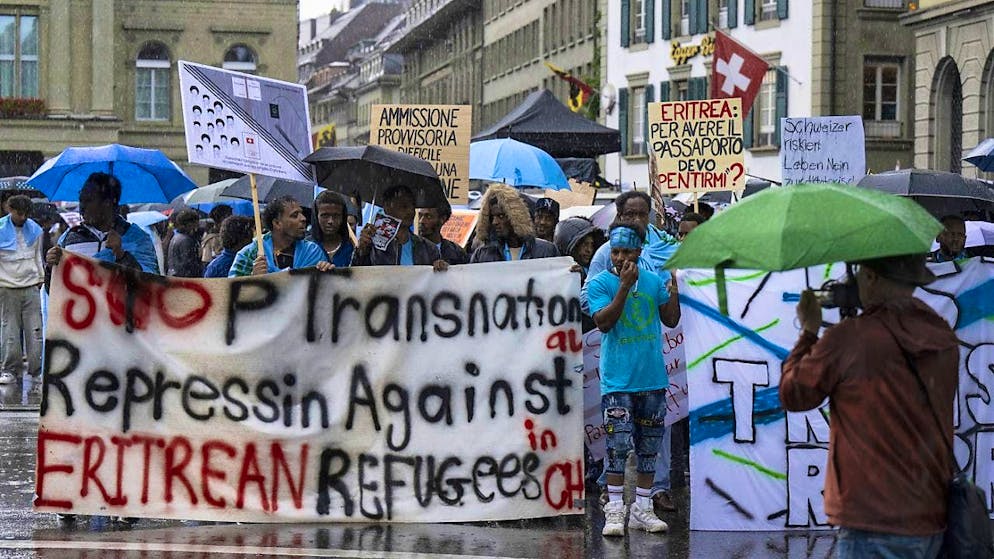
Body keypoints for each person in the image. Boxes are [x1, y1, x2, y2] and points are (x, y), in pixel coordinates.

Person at [780, 254, 958, 558]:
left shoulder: (852, 337)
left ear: (872, 278)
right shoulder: (942, 333)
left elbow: (793, 394)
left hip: (870, 516)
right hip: (929, 512)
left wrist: (809, 331)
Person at [583, 190, 679, 515]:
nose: (637, 220)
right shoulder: (602, 262)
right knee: (617, 440)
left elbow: (670, 314)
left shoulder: (659, 256)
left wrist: (674, 290)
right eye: (631, 214)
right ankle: (612, 501)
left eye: (643, 214)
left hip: (651, 370)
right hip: (617, 372)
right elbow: (596, 310)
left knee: (652, 439)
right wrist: (621, 287)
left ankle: (650, 499)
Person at [45, 172, 159, 274]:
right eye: (81, 200)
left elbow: (149, 286)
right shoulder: (69, 237)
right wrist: (51, 268)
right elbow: (56, 290)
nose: (82, 207)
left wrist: (121, 255)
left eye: (88, 200)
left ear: (107, 202)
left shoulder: (137, 239)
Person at [0, 195, 45, 387]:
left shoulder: (35, 230)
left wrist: (41, 278)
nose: (22, 217)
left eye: (26, 213)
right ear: (10, 209)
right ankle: (10, 370)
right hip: (7, 287)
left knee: (35, 332)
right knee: (9, 331)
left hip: (31, 285)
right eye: (19, 213)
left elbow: (37, 256)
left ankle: (36, 371)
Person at [229, 196, 332, 277]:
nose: (303, 218)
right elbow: (232, 295)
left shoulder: (312, 251)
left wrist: (326, 273)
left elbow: (324, 292)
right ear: (277, 223)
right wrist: (254, 279)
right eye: (294, 215)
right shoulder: (250, 254)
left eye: (302, 214)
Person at [353, 185, 448, 270]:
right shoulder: (371, 245)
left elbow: (435, 283)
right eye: (404, 206)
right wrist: (361, 251)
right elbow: (356, 277)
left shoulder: (429, 249)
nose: (410, 211)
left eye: (413, 206)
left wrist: (439, 267)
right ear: (387, 207)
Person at [470, 184, 559, 263]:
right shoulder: (482, 254)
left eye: (501, 216)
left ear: (516, 217)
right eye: (492, 217)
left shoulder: (546, 251)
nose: (495, 222)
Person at [309, 190, 355, 267]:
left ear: (343, 218)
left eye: (336, 216)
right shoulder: (306, 248)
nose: (331, 221)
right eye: (325, 215)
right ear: (316, 217)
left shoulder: (351, 248)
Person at [554, 216, 602, 284]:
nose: (589, 250)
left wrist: (584, 276)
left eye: (592, 245)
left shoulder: (598, 270)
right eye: (585, 244)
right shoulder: (552, 269)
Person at [418, 201, 468, 265]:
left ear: (442, 219)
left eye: (428, 217)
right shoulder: (411, 248)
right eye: (420, 215)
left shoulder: (456, 252)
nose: (421, 221)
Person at [167, 209, 203, 277]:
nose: (198, 226)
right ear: (190, 224)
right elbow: (189, 265)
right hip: (184, 280)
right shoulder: (187, 240)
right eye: (196, 223)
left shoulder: (175, 238)